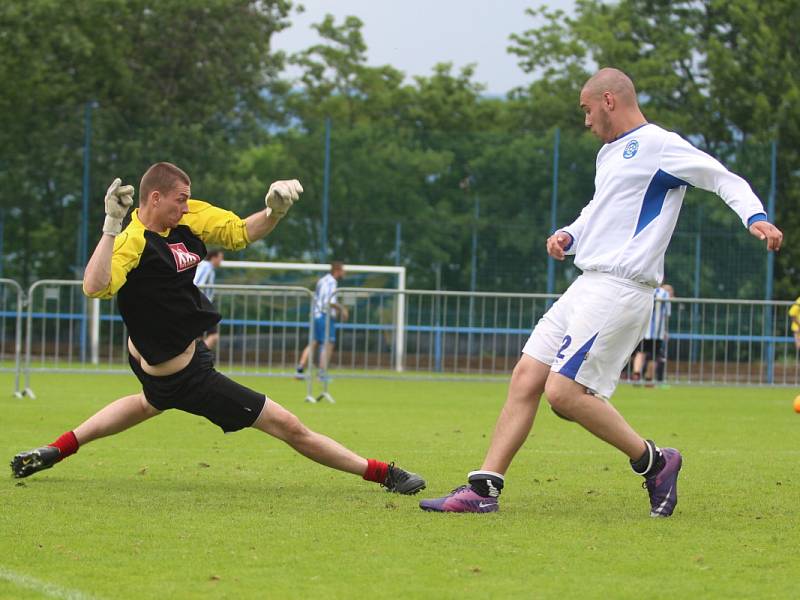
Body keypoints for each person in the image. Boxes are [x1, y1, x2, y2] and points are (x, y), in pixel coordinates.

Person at [420, 68, 782, 517]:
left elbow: (723, 177)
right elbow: (600, 207)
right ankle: (484, 488)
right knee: (526, 376)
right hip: (586, 282)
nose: (586, 121)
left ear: (609, 100)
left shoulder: (660, 145)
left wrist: (755, 216)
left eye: (587, 110)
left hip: (621, 286)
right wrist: (569, 234)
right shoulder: (609, 155)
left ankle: (656, 462)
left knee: (563, 394)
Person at [10, 162, 425, 497]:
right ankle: (382, 473)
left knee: (146, 403)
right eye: (179, 200)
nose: (186, 207)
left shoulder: (190, 217)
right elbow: (94, 286)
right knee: (290, 426)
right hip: (188, 377)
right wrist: (110, 224)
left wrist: (275, 211)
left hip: (163, 362)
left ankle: (56, 449)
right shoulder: (131, 239)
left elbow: (241, 233)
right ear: (155, 198)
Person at [296, 262, 349, 381]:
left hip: (316, 314)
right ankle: (321, 373)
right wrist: (342, 309)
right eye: (343, 270)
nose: (345, 272)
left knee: (314, 342)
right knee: (328, 343)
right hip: (325, 315)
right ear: (337, 270)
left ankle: (299, 370)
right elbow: (329, 300)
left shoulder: (322, 280)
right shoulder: (332, 282)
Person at [631, 283, 673, 385]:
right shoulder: (664, 294)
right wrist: (666, 330)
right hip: (657, 331)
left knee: (640, 352)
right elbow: (667, 313)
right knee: (653, 356)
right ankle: (649, 379)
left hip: (643, 329)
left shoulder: (643, 291)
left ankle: (636, 373)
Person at [193, 249, 224, 350]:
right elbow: (197, 283)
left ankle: (196, 359)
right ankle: (199, 358)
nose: (221, 261)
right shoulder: (207, 267)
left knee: (198, 338)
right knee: (213, 336)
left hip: (199, 302)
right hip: (201, 302)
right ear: (214, 257)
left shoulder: (207, 268)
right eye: (220, 258)